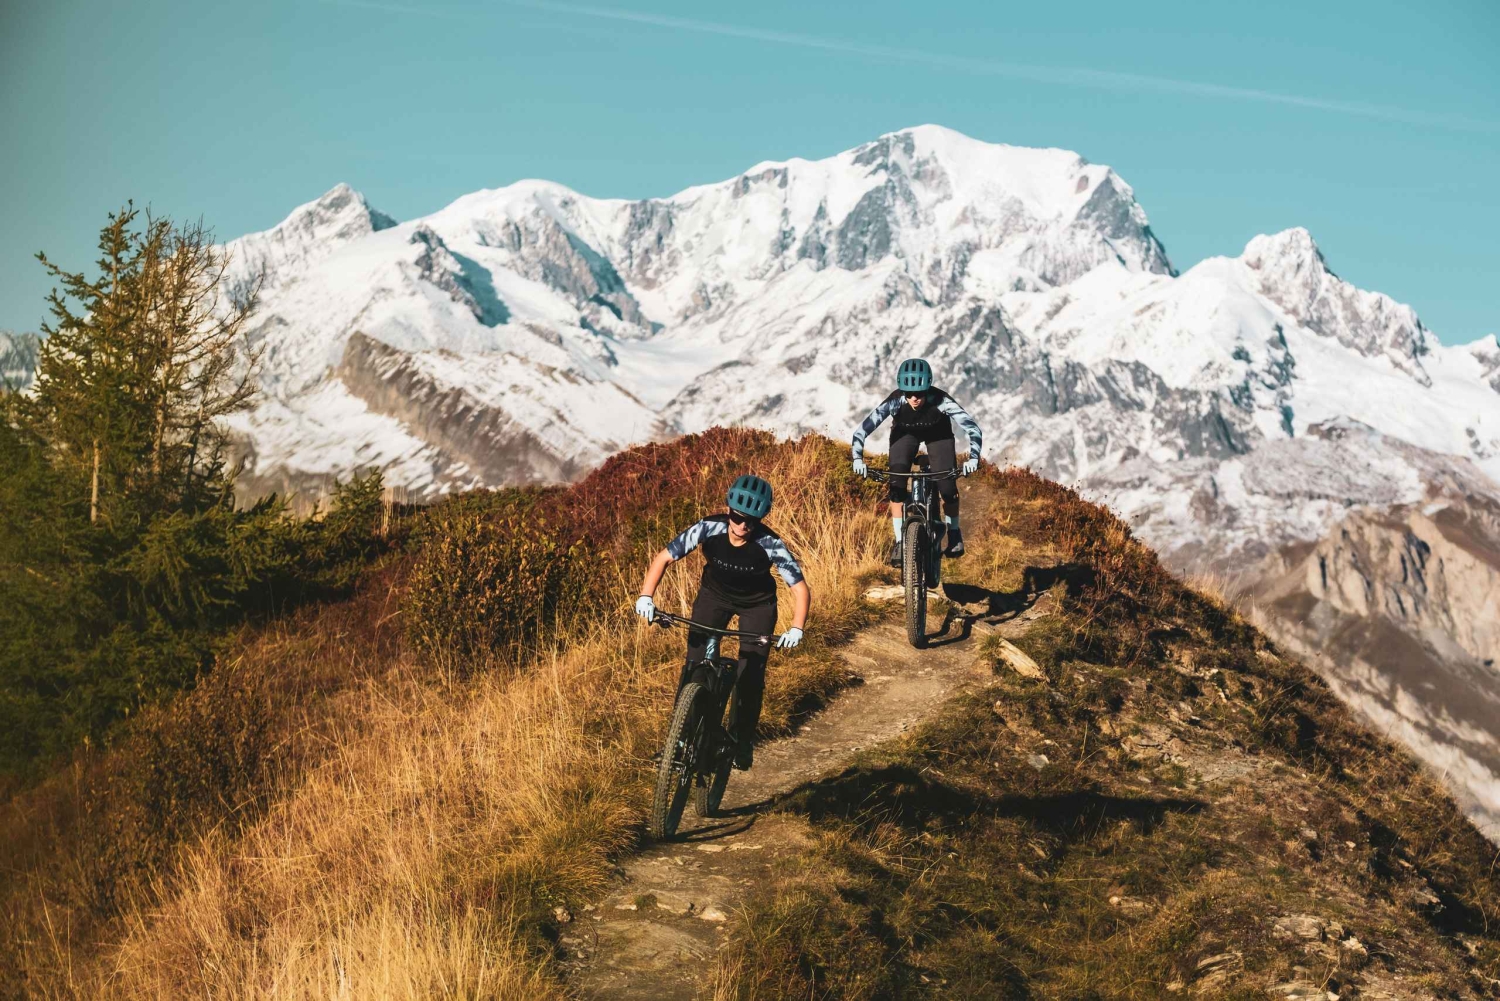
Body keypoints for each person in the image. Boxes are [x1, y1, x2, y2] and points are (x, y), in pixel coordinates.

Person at [634, 474, 811, 771]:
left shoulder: (770, 543)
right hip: (714, 596)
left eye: (752, 521)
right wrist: (646, 596)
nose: (744, 526)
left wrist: (797, 627)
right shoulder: (709, 526)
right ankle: (679, 741)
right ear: (728, 510)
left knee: (751, 672)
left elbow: (800, 589)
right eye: (739, 517)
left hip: (757, 604)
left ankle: (743, 739)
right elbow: (663, 558)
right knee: (693, 666)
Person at [850, 358, 983, 567]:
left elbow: (973, 429)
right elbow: (861, 431)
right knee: (896, 485)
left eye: (919, 394)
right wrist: (857, 458)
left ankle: (954, 532)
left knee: (947, 486)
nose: (914, 398)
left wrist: (973, 458)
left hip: (938, 434)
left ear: (927, 388)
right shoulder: (895, 401)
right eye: (908, 393)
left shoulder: (941, 401)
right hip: (905, 434)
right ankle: (900, 541)